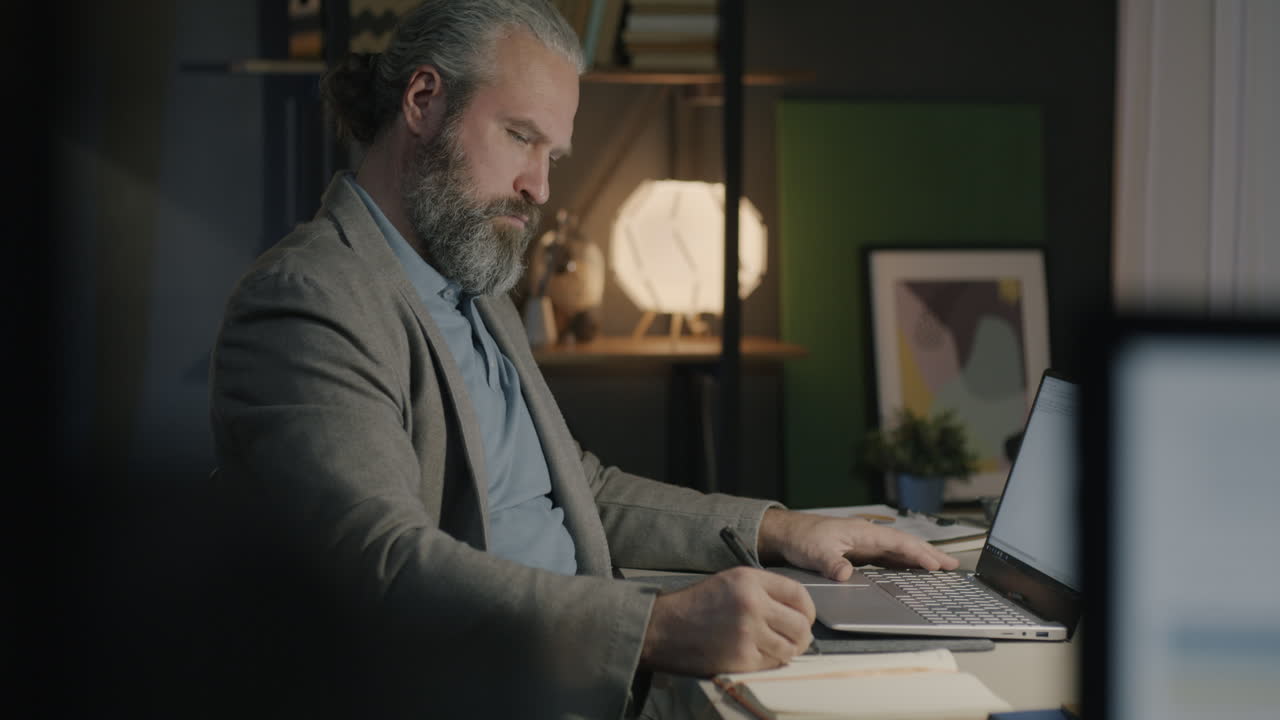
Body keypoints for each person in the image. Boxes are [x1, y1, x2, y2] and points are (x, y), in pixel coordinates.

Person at [206, 2, 958, 718]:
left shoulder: (472, 281)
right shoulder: (309, 301)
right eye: (519, 137)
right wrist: (655, 627)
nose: (539, 186)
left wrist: (778, 530)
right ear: (424, 100)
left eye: (553, 154)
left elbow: (578, 489)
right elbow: (377, 571)